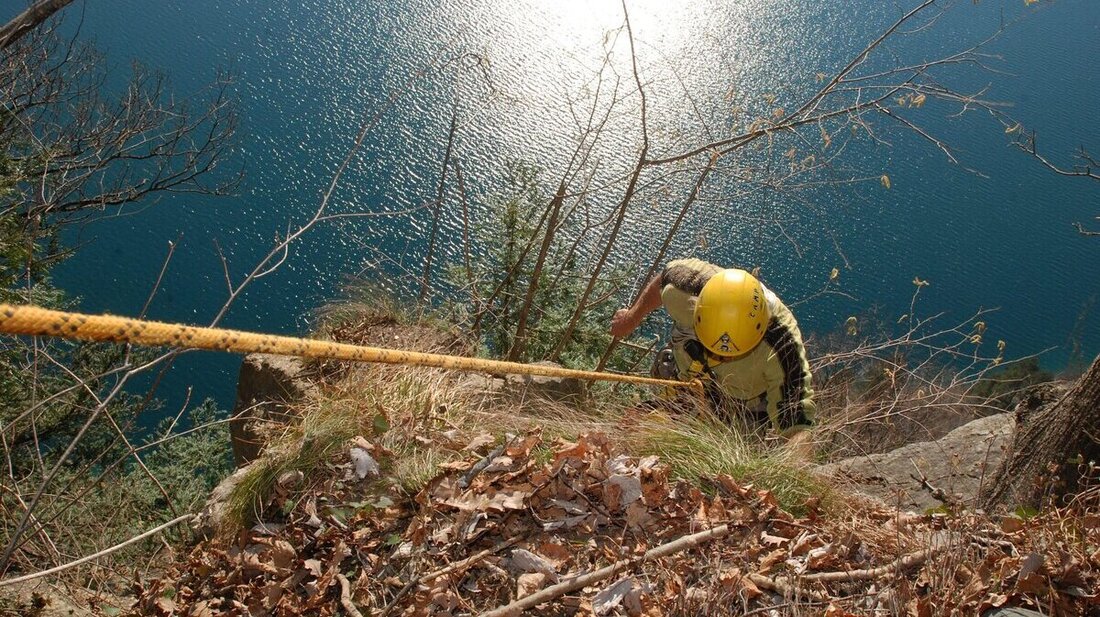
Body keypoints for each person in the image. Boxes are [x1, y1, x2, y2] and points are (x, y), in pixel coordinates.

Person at [611, 258, 815, 437]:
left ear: (758, 334)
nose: (720, 356)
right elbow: (664, 279)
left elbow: (797, 422)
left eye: (731, 355)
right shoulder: (687, 288)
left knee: (739, 444)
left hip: (739, 403)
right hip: (687, 375)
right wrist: (630, 319)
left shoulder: (782, 344)